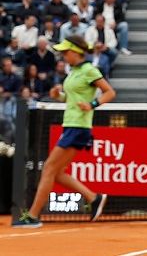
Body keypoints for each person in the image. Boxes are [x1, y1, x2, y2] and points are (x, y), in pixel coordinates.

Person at [12, 35, 116, 228]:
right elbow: (71, 99)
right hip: (70, 125)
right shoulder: (73, 71)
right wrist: (57, 96)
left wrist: (92, 104)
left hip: (79, 127)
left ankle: (33, 216)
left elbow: (110, 92)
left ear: (75, 52)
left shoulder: (89, 70)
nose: (63, 56)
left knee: (49, 168)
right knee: (57, 172)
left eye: (65, 52)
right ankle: (93, 197)